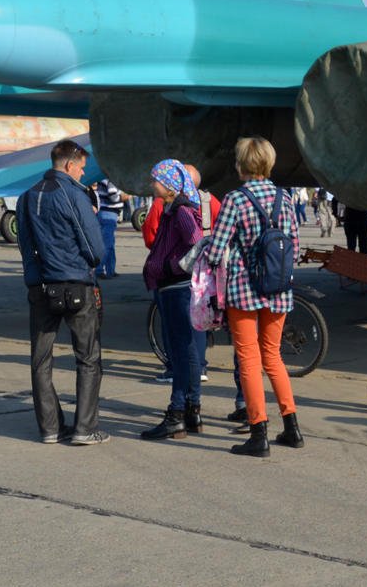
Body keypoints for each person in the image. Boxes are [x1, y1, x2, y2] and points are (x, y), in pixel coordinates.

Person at [202, 136, 303, 455]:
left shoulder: (235, 199)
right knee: (273, 357)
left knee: (248, 359)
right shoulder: (284, 198)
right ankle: (292, 428)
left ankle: (258, 435)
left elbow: (216, 251)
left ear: (241, 165)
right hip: (278, 290)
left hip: (244, 292)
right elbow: (295, 247)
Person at [18, 139, 108, 446]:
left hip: (40, 286)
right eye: (82, 168)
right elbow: (94, 246)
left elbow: (24, 244)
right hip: (75, 285)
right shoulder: (74, 194)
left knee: (40, 360)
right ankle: (84, 429)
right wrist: (90, 262)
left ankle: (51, 428)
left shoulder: (27, 196)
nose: (84, 173)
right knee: (87, 358)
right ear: (70, 164)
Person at [139, 159, 208, 441]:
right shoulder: (173, 208)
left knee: (179, 353)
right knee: (188, 352)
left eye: (156, 180)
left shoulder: (180, 210)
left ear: (169, 185)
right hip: (174, 289)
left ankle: (176, 415)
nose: (152, 184)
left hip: (177, 289)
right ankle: (191, 411)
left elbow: (197, 244)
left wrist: (171, 267)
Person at [94, 177, 126, 278]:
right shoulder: (110, 181)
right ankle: (99, 269)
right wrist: (125, 197)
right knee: (107, 244)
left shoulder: (102, 180)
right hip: (110, 214)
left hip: (105, 213)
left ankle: (110, 270)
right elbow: (114, 198)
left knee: (110, 244)